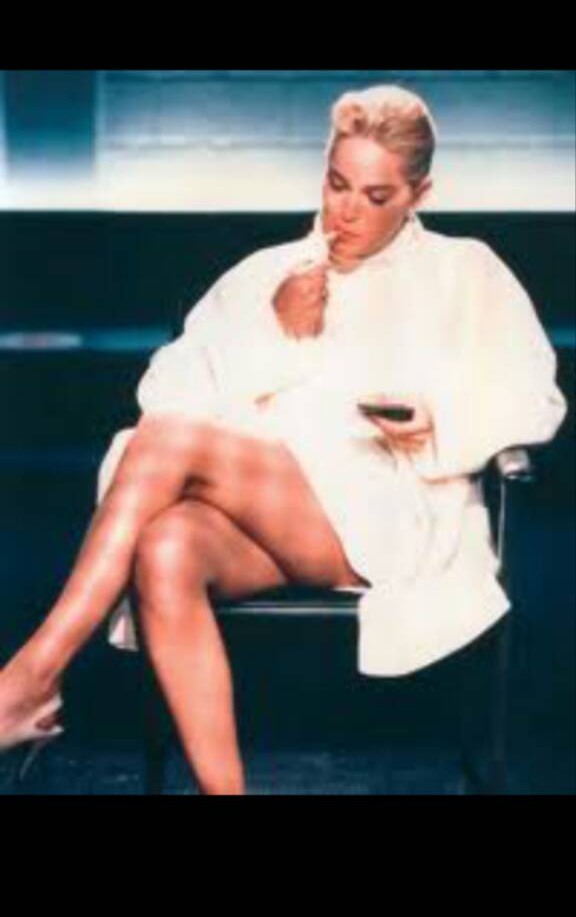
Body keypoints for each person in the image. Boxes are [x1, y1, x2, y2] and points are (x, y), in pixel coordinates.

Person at [0, 85, 567, 796]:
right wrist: (273, 333)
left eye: (376, 196)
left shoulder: (466, 271)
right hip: (265, 517)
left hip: (387, 516)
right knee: (165, 547)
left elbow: (536, 397)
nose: (347, 210)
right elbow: (167, 394)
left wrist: (438, 420)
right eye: (336, 184)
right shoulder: (267, 274)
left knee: (169, 443)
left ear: (419, 194)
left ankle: (34, 675)